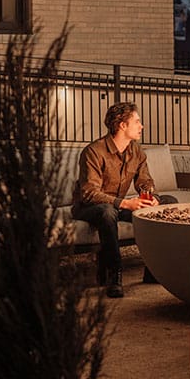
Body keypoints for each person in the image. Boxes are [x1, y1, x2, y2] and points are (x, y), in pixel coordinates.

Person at [73, 102, 159, 298]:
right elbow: (89, 193)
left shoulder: (135, 150)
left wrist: (149, 196)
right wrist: (126, 203)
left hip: (117, 205)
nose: (141, 126)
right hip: (89, 207)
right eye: (137, 122)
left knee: (162, 204)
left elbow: (144, 180)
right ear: (122, 125)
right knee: (107, 212)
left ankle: (153, 269)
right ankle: (114, 275)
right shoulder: (94, 152)